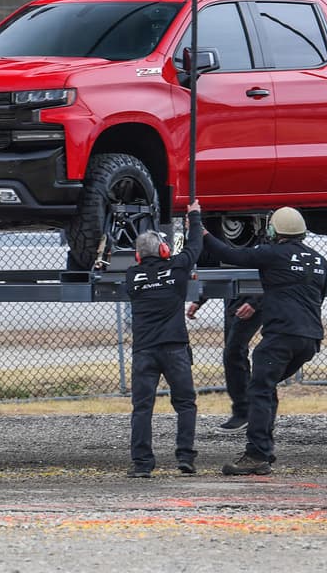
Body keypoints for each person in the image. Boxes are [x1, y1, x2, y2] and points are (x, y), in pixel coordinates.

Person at [202, 207, 327, 476]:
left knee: (259, 390)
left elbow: (230, 255)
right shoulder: (320, 261)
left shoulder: (272, 253)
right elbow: (320, 295)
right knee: (265, 388)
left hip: (280, 337)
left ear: (274, 230)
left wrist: (201, 233)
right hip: (310, 339)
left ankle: (256, 454)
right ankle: (264, 450)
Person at [125, 201, 204, 478]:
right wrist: (194, 218)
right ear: (164, 250)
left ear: (138, 256)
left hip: (144, 350)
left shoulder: (132, 276)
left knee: (142, 407)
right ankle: (185, 457)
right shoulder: (177, 268)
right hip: (174, 348)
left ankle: (142, 464)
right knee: (185, 403)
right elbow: (195, 246)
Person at [186, 293, 263, 433]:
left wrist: (255, 301)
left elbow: (271, 278)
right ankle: (251, 413)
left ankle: (246, 413)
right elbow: (217, 278)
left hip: (253, 298)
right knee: (235, 354)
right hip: (234, 300)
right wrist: (199, 300)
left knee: (233, 353)